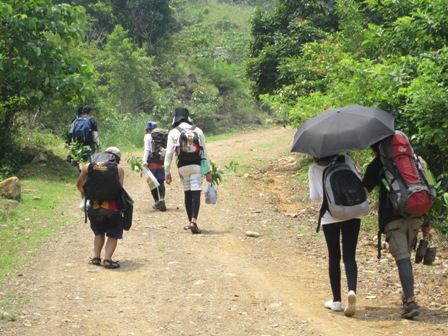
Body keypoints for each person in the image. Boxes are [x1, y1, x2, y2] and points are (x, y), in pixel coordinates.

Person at [363, 142, 420, 319]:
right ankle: (407, 295)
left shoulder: (377, 164)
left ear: (375, 149)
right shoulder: (413, 161)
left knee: (403, 258)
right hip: (415, 215)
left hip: (393, 220)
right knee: (406, 258)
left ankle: (410, 301)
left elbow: (363, 190)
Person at [308, 154, 361, 317]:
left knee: (334, 257)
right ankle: (351, 290)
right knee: (350, 257)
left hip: (330, 216)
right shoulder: (346, 160)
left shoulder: (314, 169)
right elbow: (358, 181)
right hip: (353, 212)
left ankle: (336, 301)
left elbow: (314, 197)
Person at [164, 107, 212, 234]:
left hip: (182, 167)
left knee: (187, 194)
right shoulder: (198, 130)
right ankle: (193, 221)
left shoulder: (173, 132)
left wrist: (167, 172)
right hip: (197, 166)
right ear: (187, 117)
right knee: (196, 193)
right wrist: (208, 171)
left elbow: (169, 154)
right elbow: (204, 152)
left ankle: (190, 221)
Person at [76, 147, 124, 269]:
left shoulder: (89, 166)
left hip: (94, 207)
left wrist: (87, 195)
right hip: (112, 207)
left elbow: (79, 184)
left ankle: (96, 257)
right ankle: (107, 259)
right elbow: (119, 189)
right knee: (113, 233)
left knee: (98, 232)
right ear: (117, 159)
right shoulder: (119, 169)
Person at [143, 121, 166, 211]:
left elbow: (147, 149)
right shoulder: (161, 136)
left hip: (151, 162)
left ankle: (157, 202)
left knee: (152, 183)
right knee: (161, 182)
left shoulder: (147, 136)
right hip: (160, 162)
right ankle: (162, 198)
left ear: (147, 129)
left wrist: (144, 160)